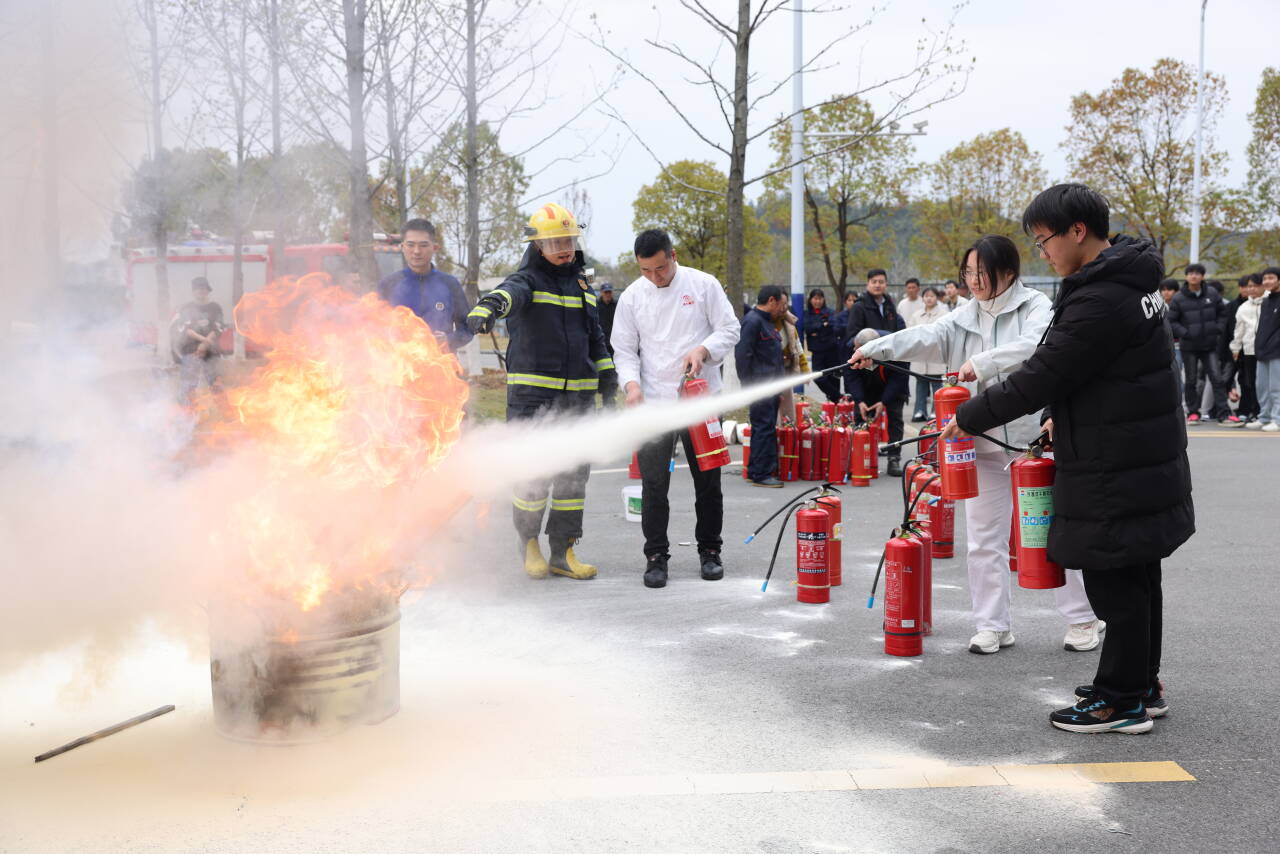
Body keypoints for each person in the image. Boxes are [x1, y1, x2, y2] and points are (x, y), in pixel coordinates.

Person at [942, 183, 1193, 734]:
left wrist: (971, 415)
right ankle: (1141, 684)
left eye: (1044, 240)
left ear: (1078, 231)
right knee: (1137, 577)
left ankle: (1119, 701)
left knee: (1114, 583)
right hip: (1137, 451)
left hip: (1115, 461)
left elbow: (1045, 371)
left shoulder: (1101, 298)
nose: (1043, 252)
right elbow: (1093, 368)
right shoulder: (1130, 282)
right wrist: (1060, 411)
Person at [852, 234, 1101, 655]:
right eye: (968, 273)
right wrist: (876, 348)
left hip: (1030, 444)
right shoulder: (963, 316)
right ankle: (992, 624)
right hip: (980, 443)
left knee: (1052, 533)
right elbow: (924, 336)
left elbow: (1035, 347)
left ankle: (1083, 618)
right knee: (984, 540)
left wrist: (981, 363)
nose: (974, 281)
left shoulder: (1037, 307)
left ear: (1009, 272)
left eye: (983, 273)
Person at [465, 202, 617, 580]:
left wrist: (608, 381)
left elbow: (595, 339)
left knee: (572, 479)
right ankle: (529, 543)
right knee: (532, 475)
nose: (564, 248)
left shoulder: (583, 286)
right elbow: (507, 294)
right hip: (533, 400)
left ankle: (563, 552)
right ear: (538, 246)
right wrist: (488, 309)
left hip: (577, 400)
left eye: (568, 240)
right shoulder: (528, 280)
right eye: (555, 242)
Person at [611, 229, 740, 589]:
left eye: (660, 268)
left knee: (708, 482)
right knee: (654, 484)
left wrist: (703, 350)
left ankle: (710, 551)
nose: (654, 276)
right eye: (646, 270)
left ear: (674, 256)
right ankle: (656, 556)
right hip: (654, 402)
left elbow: (730, 329)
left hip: (701, 401)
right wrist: (631, 385)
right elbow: (623, 350)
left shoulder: (703, 285)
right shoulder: (632, 297)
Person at [378, 218, 473, 352]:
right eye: (410, 245)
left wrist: (448, 340)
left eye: (423, 245)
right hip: (400, 362)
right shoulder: (388, 285)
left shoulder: (450, 284)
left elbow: (467, 328)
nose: (416, 251)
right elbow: (373, 328)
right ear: (402, 247)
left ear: (435, 247)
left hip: (440, 362)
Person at [1169, 262, 1235, 426]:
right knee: (1191, 380)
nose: (1194, 276)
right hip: (1189, 347)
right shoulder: (1178, 298)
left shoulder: (1212, 293)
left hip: (1210, 346)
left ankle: (1224, 414)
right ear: (1186, 276)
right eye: (1190, 273)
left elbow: (1223, 314)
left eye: (1197, 273)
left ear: (1202, 276)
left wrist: (1217, 329)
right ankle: (1193, 413)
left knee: (1217, 379)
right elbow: (1171, 321)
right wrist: (1185, 333)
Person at [735, 286, 788, 487]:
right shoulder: (752, 322)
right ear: (772, 300)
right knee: (764, 428)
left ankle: (755, 470)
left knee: (763, 428)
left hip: (770, 388)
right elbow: (742, 356)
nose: (783, 309)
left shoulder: (767, 323)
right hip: (759, 387)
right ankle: (761, 474)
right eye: (782, 304)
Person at [847, 329, 909, 476]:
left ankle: (894, 458)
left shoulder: (896, 346)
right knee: (860, 417)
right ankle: (858, 459)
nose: (854, 350)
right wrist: (859, 400)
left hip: (892, 385)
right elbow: (851, 376)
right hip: (866, 385)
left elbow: (899, 377)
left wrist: (884, 401)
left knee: (895, 419)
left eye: (858, 349)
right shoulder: (850, 346)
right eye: (855, 347)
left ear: (871, 349)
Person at [171, 276, 226, 403]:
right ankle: (187, 413)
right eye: (198, 288)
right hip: (191, 351)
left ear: (208, 290)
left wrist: (205, 345)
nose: (201, 290)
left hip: (212, 352)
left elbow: (218, 328)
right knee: (188, 388)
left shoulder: (215, 307)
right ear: (193, 291)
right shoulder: (186, 308)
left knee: (217, 385)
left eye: (204, 288)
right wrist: (203, 342)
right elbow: (187, 330)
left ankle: (226, 413)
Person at [907, 287, 947, 422]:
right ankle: (919, 411)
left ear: (937, 298)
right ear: (923, 298)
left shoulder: (944, 314)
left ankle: (936, 411)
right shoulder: (916, 315)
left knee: (937, 384)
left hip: (936, 355)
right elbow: (910, 333)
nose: (929, 298)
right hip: (920, 356)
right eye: (926, 296)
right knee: (920, 384)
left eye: (932, 296)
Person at [1231, 273, 1264, 426]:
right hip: (1249, 350)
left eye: (1255, 286)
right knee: (1252, 384)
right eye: (1249, 286)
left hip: (1268, 351)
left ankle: (1269, 413)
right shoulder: (1243, 307)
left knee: (1268, 385)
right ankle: (1256, 413)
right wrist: (1235, 348)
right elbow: (1239, 330)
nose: (1251, 289)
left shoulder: (1270, 302)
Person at [802, 288, 842, 403]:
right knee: (818, 377)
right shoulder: (806, 314)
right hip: (817, 351)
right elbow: (808, 328)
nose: (818, 301)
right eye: (815, 298)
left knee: (834, 378)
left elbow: (834, 326)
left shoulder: (830, 312)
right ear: (810, 300)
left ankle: (835, 405)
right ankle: (838, 397)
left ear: (823, 300)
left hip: (832, 350)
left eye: (820, 299)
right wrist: (822, 325)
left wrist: (817, 330)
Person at [1254, 267, 1280, 432]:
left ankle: (1277, 419)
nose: (1267, 281)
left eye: (1271, 278)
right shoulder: (1266, 301)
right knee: (1262, 387)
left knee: (1276, 388)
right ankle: (1264, 417)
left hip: (1277, 351)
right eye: (1265, 279)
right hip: (1263, 351)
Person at [597, 282, 618, 353]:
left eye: (609, 292)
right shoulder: (595, 305)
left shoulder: (617, 305)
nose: (608, 294)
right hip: (600, 340)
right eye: (606, 292)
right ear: (601, 293)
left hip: (614, 340)